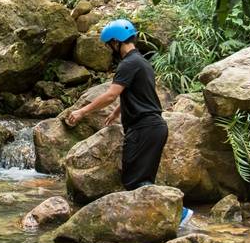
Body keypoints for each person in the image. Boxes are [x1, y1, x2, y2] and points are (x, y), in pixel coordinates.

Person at [65, 18, 193, 226]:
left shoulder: (128, 64)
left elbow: (110, 94)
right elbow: (139, 93)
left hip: (144, 128)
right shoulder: (142, 62)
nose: (109, 50)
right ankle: (167, 219)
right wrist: (118, 111)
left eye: (109, 45)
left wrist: (82, 112)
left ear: (116, 42)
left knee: (135, 181)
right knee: (142, 181)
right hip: (153, 127)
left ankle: (181, 213)